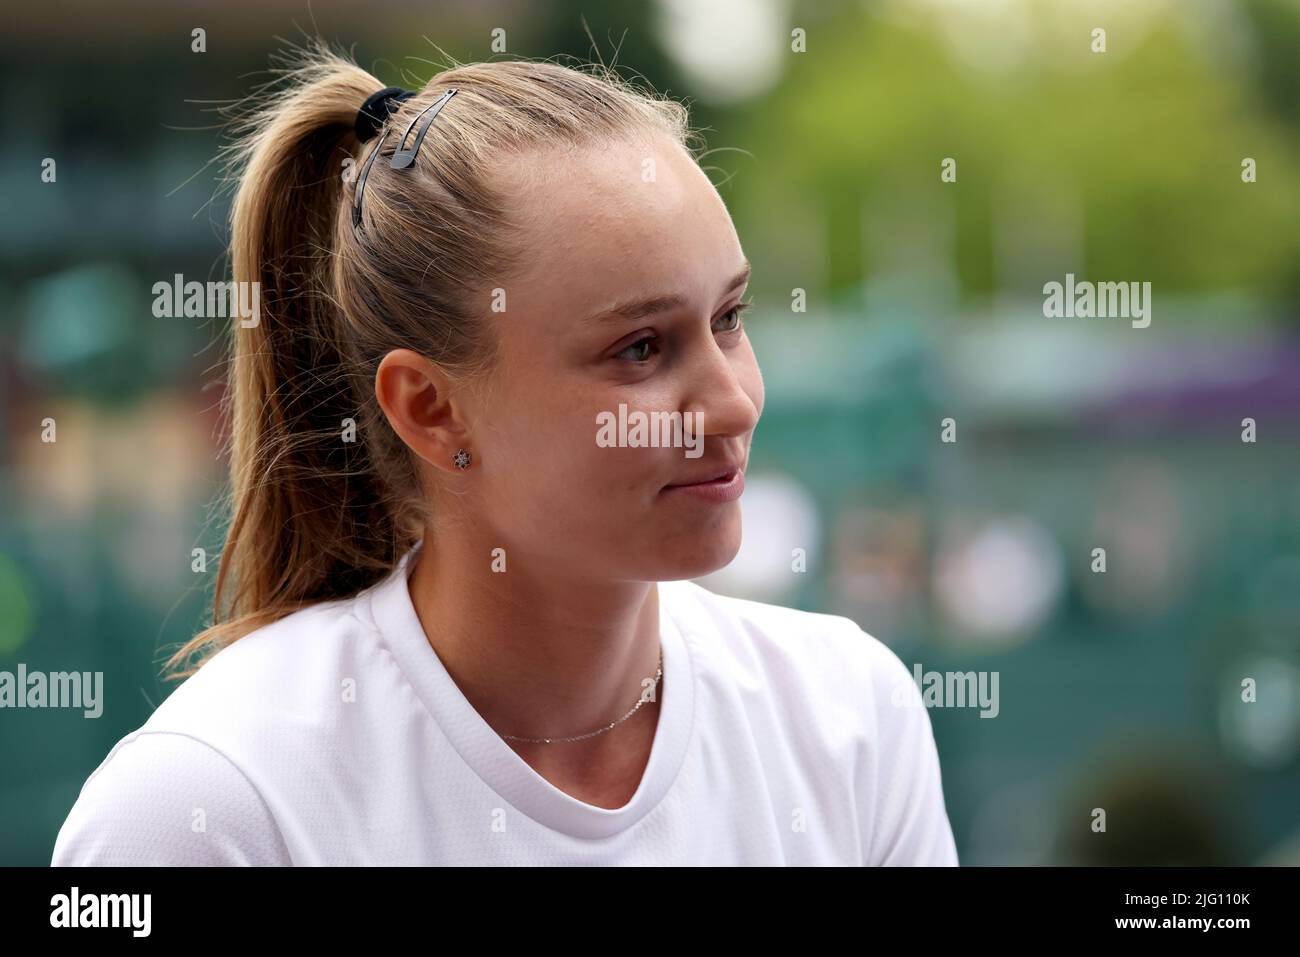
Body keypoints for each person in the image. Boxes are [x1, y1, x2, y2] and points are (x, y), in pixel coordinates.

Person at [51, 40, 958, 866]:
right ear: (432, 408)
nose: (731, 401)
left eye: (729, 319)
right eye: (640, 348)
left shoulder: (849, 719)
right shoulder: (208, 807)